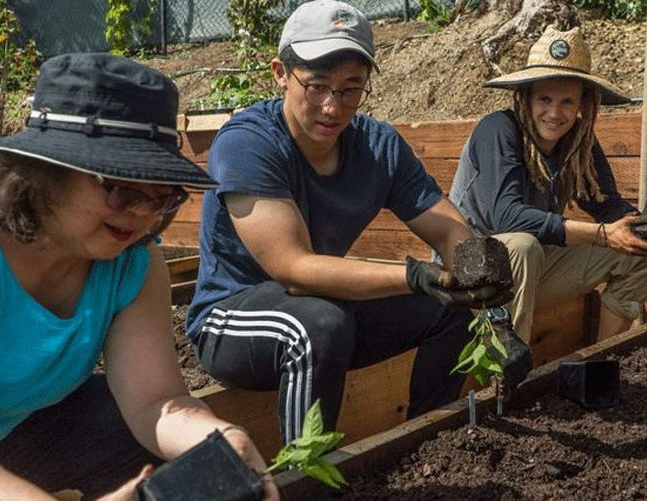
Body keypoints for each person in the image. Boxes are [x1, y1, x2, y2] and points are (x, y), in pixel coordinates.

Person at [186, 0, 510, 444]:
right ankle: (304, 474)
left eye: (350, 89)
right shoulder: (247, 143)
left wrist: (489, 303)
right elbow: (294, 271)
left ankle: (428, 443)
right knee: (319, 325)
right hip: (233, 319)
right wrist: (414, 275)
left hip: (327, 305)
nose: (332, 107)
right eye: (316, 86)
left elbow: (450, 229)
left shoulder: (379, 148)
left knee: (449, 311)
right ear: (281, 73)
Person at [0, 53, 279, 501]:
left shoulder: (132, 264)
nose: (144, 215)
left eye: (163, 198)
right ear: (47, 171)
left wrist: (221, 436)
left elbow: (155, 402)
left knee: (134, 442)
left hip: (23, 430)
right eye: (123, 190)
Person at [449, 25, 647, 349]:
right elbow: (508, 217)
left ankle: (597, 365)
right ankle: (506, 382)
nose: (555, 113)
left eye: (568, 102)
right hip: (471, 274)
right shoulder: (498, 130)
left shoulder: (577, 140)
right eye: (545, 99)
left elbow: (607, 205)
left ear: (583, 103)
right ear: (525, 97)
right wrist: (602, 235)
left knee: (636, 255)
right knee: (524, 245)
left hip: (531, 269)